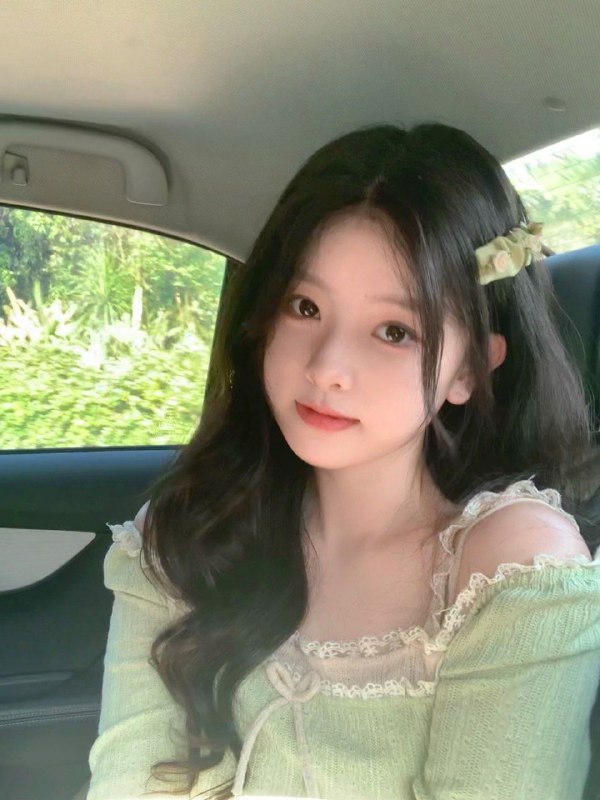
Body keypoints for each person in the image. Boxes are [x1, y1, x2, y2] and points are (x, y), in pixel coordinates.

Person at [86, 122, 600, 800]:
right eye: (305, 307)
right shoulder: (183, 533)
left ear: (470, 369)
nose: (327, 366)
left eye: (394, 330)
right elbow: (129, 782)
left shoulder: (514, 567)